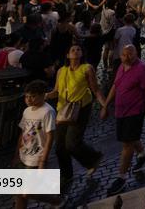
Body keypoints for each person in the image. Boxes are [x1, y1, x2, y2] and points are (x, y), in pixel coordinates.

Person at [47, 44, 106, 187]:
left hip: (80, 108)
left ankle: (93, 158)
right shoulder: (61, 71)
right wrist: (46, 95)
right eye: (72, 50)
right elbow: (56, 90)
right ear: (67, 55)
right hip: (63, 110)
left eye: (78, 49)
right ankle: (66, 175)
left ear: (82, 54)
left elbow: (95, 89)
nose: (75, 51)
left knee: (72, 143)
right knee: (60, 146)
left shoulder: (87, 69)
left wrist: (104, 105)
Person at [101, 44, 145, 195]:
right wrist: (105, 105)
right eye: (124, 55)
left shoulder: (142, 69)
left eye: (130, 54)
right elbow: (115, 86)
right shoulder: (121, 67)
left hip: (135, 111)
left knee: (127, 143)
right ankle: (143, 153)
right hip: (121, 111)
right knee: (130, 138)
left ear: (136, 53)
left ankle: (122, 176)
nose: (127, 57)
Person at [13, 80, 57, 209]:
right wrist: (17, 153)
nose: (29, 99)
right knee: (19, 191)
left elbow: (50, 136)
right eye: (27, 96)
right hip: (24, 155)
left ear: (42, 95)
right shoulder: (27, 111)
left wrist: (43, 160)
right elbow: (23, 132)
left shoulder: (47, 111)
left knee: (27, 192)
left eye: (32, 96)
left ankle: (56, 201)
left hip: (37, 156)